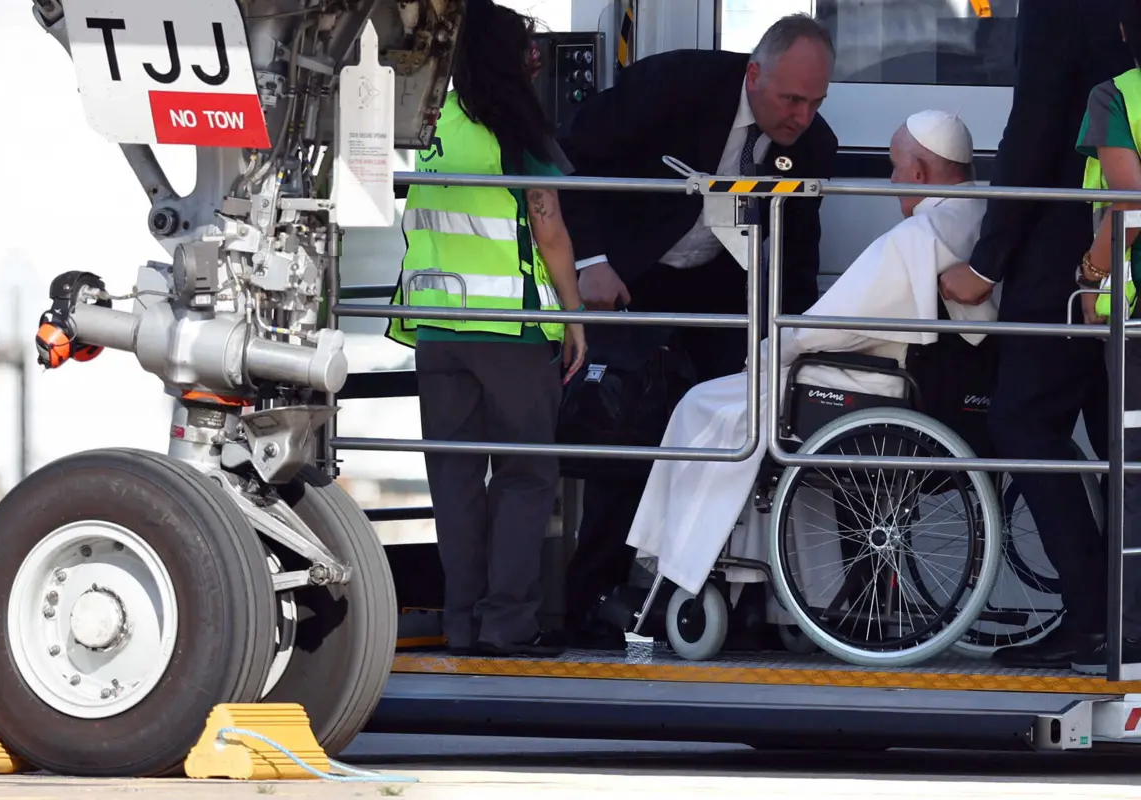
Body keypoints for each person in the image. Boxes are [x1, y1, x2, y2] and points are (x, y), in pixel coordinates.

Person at [625, 112, 996, 602]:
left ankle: (680, 566)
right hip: (921, 382)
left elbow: (840, 323)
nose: (891, 179)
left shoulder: (919, 235)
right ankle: (769, 583)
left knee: (703, 403)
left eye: (895, 167)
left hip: (874, 383)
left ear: (922, 173)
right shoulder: (983, 214)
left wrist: (774, 346)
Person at [556, 13, 840, 649]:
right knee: (624, 433)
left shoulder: (814, 145)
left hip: (722, 290)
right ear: (754, 74)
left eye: (816, 101)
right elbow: (573, 148)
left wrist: (790, 340)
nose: (802, 115)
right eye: (792, 98)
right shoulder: (677, 84)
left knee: (737, 430)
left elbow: (795, 254)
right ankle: (589, 600)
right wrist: (590, 261)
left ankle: (720, 599)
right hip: (631, 274)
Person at [386, 0, 588, 658]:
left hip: (436, 328)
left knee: (455, 480)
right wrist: (574, 309)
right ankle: (508, 625)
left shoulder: (431, 121)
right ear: (505, 58)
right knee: (527, 476)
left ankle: (462, 622)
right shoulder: (511, 123)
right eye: (527, 49)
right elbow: (547, 220)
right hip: (512, 327)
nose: (536, 60)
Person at [939, 0, 1132, 669]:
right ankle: (1122, 615)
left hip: (1076, 244)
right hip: (1119, 248)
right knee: (1119, 433)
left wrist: (987, 263)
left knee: (1024, 417)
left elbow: (1036, 129)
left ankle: (1093, 616)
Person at [1069, 0, 1141, 676]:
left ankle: (1132, 635)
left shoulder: (1114, 95)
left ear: (1124, 30)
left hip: (1139, 315)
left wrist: (1091, 275)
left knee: (1134, 472)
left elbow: (1128, 201)